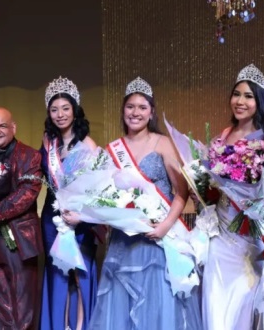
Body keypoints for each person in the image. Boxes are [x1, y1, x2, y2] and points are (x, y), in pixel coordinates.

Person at [88, 77, 200, 329]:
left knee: (157, 305)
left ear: (151, 113)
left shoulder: (163, 144)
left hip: (158, 240)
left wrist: (165, 226)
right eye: (130, 107)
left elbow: (181, 193)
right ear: (123, 111)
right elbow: (106, 196)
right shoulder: (112, 149)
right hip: (123, 241)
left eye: (142, 107)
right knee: (121, 308)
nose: (135, 112)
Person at [202, 64, 264, 330]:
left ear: (260, 101)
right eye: (237, 94)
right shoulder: (222, 137)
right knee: (215, 302)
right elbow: (212, 192)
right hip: (221, 234)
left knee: (242, 305)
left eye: (249, 96)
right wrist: (201, 187)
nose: (241, 101)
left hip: (250, 237)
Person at [0, 107, 43, 329]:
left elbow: (27, 194)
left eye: (2, 125)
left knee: (23, 297)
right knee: (0, 294)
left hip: (18, 236)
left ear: (13, 127)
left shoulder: (30, 155)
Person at [39, 76, 99, 330]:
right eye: (54, 109)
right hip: (52, 217)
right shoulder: (47, 140)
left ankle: (82, 325)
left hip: (79, 218)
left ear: (75, 110)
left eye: (65, 108)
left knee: (79, 273)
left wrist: (81, 216)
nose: (60, 114)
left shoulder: (88, 144)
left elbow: (97, 189)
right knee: (58, 273)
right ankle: (59, 325)